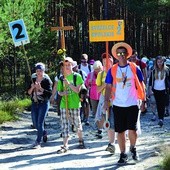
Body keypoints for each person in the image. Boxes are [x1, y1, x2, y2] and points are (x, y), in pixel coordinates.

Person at [104, 42, 146, 164]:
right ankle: (123, 154)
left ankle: (133, 147)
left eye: (123, 53)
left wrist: (144, 101)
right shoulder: (112, 70)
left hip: (132, 103)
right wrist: (106, 101)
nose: (121, 55)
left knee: (132, 130)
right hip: (118, 104)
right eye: (119, 53)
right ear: (116, 55)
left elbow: (141, 84)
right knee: (120, 131)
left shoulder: (134, 68)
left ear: (127, 54)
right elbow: (108, 86)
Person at [57, 57, 85, 153]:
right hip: (64, 104)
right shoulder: (61, 78)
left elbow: (77, 90)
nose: (68, 67)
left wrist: (68, 84)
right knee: (64, 125)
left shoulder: (77, 76)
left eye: (69, 65)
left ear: (72, 65)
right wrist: (63, 93)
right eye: (66, 65)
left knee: (77, 124)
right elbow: (59, 92)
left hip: (75, 104)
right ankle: (65, 145)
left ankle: (81, 140)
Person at [28, 62, 52, 149]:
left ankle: (38, 142)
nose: (39, 72)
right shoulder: (33, 79)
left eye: (41, 71)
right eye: (37, 71)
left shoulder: (46, 81)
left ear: (43, 71)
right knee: (35, 123)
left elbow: (49, 94)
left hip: (44, 103)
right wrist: (33, 87)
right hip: (35, 103)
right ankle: (44, 132)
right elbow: (28, 92)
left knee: (40, 122)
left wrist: (40, 89)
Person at [95, 52, 116, 154]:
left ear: (112, 61)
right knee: (109, 120)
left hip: (117, 99)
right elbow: (98, 90)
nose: (106, 63)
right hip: (105, 100)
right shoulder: (100, 74)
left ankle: (120, 138)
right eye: (104, 62)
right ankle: (111, 143)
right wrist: (105, 83)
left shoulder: (116, 71)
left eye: (108, 61)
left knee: (118, 121)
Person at [148, 56, 170, 126]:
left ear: (163, 62)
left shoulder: (167, 70)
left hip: (164, 90)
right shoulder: (153, 70)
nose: (159, 63)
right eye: (158, 62)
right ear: (156, 62)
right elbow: (151, 81)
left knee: (162, 104)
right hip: (155, 90)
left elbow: (168, 80)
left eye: (161, 61)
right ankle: (159, 116)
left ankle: (161, 119)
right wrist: (150, 90)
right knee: (158, 104)